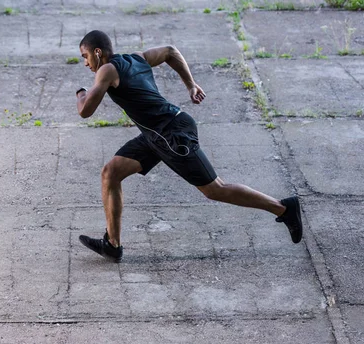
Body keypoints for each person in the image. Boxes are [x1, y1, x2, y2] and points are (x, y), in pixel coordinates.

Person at [75, 30, 302, 262]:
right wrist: (190, 85)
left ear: (98, 52)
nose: (85, 63)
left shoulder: (107, 70)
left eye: (85, 56)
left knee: (215, 189)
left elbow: (85, 111)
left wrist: (81, 93)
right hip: (157, 134)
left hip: (171, 135)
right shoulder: (136, 57)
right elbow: (170, 52)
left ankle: (283, 208)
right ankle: (112, 245)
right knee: (111, 172)